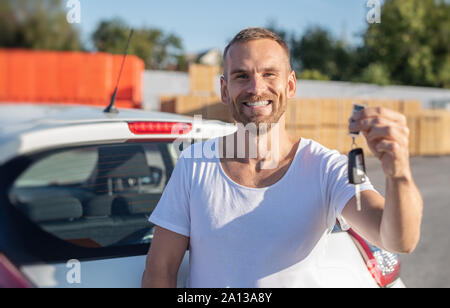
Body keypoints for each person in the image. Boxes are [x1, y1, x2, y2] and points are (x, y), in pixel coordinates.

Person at [141, 28, 423, 288]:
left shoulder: (327, 169)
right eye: (242, 75)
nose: (256, 88)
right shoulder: (194, 165)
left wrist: (399, 173)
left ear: (290, 86)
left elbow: (398, 240)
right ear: (225, 90)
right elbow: (160, 269)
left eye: (269, 74)